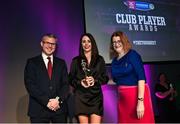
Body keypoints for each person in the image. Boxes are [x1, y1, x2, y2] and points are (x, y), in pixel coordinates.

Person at [110, 31, 154, 123]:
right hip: (123, 101)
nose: (116, 44)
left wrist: (140, 102)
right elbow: (116, 80)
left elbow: (141, 78)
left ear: (124, 41)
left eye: (119, 41)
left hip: (137, 98)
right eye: (114, 42)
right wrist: (97, 81)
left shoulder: (132, 55)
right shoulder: (114, 61)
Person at [24, 33, 69, 123]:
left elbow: (65, 84)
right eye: (47, 43)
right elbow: (30, 85)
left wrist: (57, 100)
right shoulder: (32, 62)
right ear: (42, 44)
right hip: (38, 110)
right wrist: (47, 102)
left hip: (58, 109)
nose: (50, 46)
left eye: (53, 44)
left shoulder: (61, 63)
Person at [69, 33, 109, 123]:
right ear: (81, 44)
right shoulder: (76, 61)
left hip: (96, 98)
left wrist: (95, 81)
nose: (86, 44)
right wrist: (80, 82)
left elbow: (105, 78)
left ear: (92, 43)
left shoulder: (100, 59)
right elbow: (70, 79)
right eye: (84, 42)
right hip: (80, 97)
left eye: (88, 41)